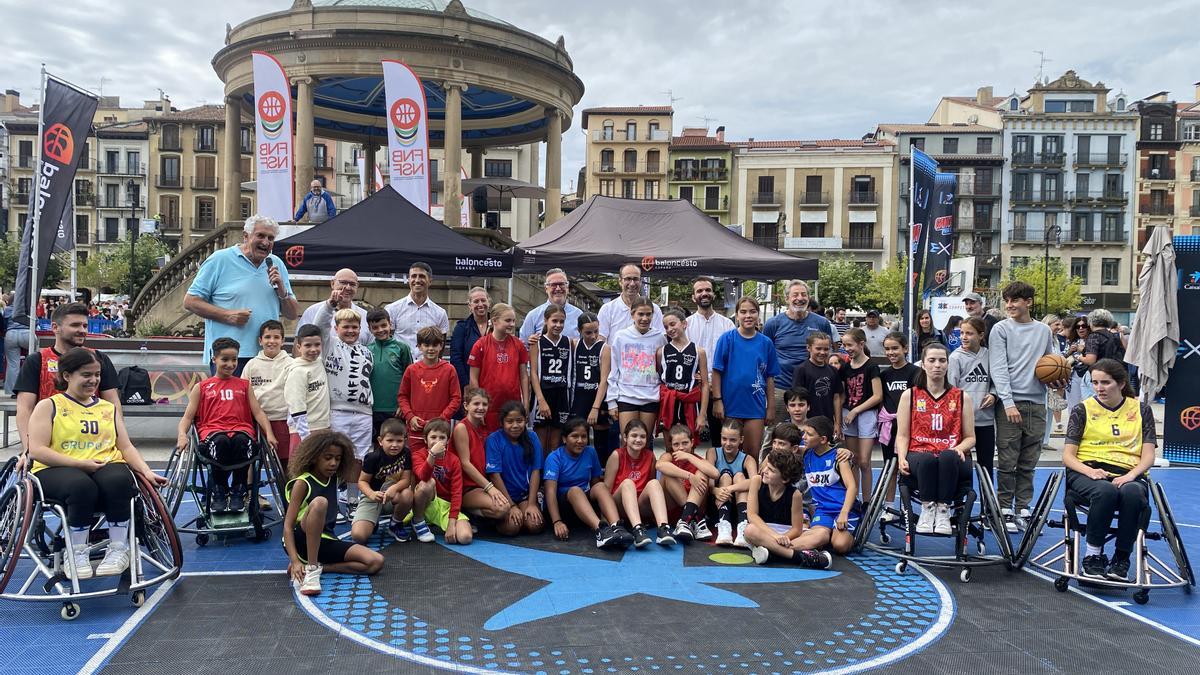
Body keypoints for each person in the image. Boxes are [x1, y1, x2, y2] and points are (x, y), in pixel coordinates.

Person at [26, 348, 167, 580]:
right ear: (67, 375)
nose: (93, 380)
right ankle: (77, 552)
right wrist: (79, 464)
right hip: (57, 468)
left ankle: (119, 548)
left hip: (104, 463)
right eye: (86, 375)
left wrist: (146, 471)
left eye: (97, 375)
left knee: (120, 480)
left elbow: (126, 447)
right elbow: (37, 450)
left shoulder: (107, 408)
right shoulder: (49, 406)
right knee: (81, 486)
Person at [1062, 358, 1157, 581]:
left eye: (1105, 383)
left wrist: (1131, 475)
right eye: (1095, 383)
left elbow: (1149, 455)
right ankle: (1093, 556)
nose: (1099, 388)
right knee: (1105, 491)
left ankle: (1121, 558)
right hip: (1087, 470)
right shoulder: (1082, 409)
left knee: (1132, 493)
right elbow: (1067, 456)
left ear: (1121, 383)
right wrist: (1089, 472)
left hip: (1128, 471)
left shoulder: (1142, 410)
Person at [989, 281, 1064, 533]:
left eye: (1015, 300)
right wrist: (1007, 402)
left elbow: (1049, 363)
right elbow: (998, 368)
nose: (1009, 305)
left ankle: (1023, 507)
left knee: (1029, 461)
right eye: (1007, 300)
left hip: (1037, 403)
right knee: (1008, 460)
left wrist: (1057, 380)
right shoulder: (1000, 329)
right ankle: (1004, 509)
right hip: (1010, 403)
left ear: (1028, 302)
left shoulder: (1043, 331)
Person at [184, 214, 299, 375]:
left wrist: (282, 291)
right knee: (230, 401)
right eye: (260, 236)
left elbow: (292, 314)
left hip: (266, 356)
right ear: (246, 236)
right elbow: (190, 301)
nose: (266, 242)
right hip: (230, 357)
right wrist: (227, 315)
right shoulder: (219, 260)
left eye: (270, 238)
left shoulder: (276, 264)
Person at [176, 337, 277, 512]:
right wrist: (182, 435)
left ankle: (239, 489)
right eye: (225, 359)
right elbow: (187, 418)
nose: (230, 364)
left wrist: (269, 433)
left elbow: (258, 413)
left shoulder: (245, 386)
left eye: (234, 359)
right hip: (213, 433)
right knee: (221, 441)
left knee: (242, 441)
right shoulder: (202, 387)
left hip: (241, 431)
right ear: (214, 359)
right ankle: (219, 489)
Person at [284, 430, 384, 595]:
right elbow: (287, 527)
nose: (333, 463)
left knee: (375, 562)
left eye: (338, 459)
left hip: (325, 540)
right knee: (320, 503)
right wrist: (294, 561)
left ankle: (323, 567)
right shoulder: (303, 483)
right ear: (315, 457)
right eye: (328, 457)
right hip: (301, 539)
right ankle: (312, 570)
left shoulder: (333, 478)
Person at [15, 302, 123, 452]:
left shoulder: (98, 359)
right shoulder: (37, 360)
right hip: (50, 444)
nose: (82, 330)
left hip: (93, 445)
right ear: (55, 327)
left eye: (85, 326)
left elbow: (113, 404)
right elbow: (24, 408)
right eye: (75, 325)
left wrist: (120, 443)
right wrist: (29, 449)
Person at [896, 342, 977, 535]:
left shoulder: (961, 397)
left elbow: (970, 437)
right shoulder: (910, 395)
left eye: (942, 360)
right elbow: (902, 435)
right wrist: (901, 457)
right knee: (927, 459)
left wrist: (960, 447)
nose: (937, 365)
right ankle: (927, 508)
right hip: (919, 453)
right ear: (923, 364)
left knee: (948, 456)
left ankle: (943, 510)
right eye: (932, 360)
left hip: (951, 455)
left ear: (948, 364)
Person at [314, 293, 375, 501]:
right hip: (337, 411)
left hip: (364, 414)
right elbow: (319, 325)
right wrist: (330, 304)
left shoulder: (367, 352)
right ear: (336, 328)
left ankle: (352, 499)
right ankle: (330, 500)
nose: (350, 331)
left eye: (354, 327)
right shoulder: (329, 345)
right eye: (346, 327)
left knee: (358, 458)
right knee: (331, 456)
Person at [544, 417, 633, 549]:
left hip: (584, 507)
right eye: (575, 436)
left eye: (583, 437)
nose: (580, 441)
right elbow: (550, 492)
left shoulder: (590, 452)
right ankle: (601, 531)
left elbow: (595, 484)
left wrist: (603, 514)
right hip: (564, 507)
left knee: (601, 486)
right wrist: (557, 521)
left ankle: (616, 526)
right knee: (575, 490)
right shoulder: (554, 457)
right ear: (564, 439)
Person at [741, 448, 833, 569]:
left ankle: (772, 553)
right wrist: (775, 536)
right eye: (767, 467)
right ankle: (798, 557)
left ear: (784, 479)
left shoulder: (795, 495)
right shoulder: (757, 481)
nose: (765, 471)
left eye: (771, 470)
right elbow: (752, 516)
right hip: (763, 531)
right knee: (749, 530)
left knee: (823, 535)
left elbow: (796, 529)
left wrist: (784, 538)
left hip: (787, 536)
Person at [711, 296, 779, 458]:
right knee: (730, 452)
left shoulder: (766, 343)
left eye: (752, 312)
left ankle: (751, 483)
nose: (748, 316)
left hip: (755, 406)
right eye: (743, 312)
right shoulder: (727, 339)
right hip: (730, 405)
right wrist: (717, 400)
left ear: (758, 315)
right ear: (737, 315)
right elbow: (716, 372)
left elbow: (770, 377)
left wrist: (770, 407)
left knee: (752, 453)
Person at [762, 280, 838, 421]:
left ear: (809, 298)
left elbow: (827, 353)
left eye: (804, 294)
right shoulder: (773, 324)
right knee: (778, 434)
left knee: (814, 433)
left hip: (813, 388)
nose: (800, 298)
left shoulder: (821, 323)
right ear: (787, 299)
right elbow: (765, 356)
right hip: (781, 388)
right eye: (795, 295)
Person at [604, 297, 666, 443]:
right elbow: (614, 370)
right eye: (640, 314)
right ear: (632, 315)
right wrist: (611, 401)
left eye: (648, 314)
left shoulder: (659, 337)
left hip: (651, 396)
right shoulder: (621, 336)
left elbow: (663, 369)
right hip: (626, 396)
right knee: (627, 442)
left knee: (644, 441)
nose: (645, 318)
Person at [794, 416, 860, 554]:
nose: (804, 437)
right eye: (804, 433)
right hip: (823, 510)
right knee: (818, 538)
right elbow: (781, 450)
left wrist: (844, 513)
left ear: (823, 439)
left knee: (840, 546)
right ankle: (777, 548)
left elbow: (852, 487)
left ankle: (852, 534)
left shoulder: (839, 457)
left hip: (843, 509)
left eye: (809, 434)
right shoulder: (806, 453)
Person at [605, 419, 675, 547]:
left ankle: (663, 528)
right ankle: (638, 529)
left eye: (642, 436)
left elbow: (651, 489)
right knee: (628, 483)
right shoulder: (617, 455)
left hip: (639, 505)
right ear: (625, 438)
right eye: (634, 435)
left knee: (654, 483)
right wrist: (606, 519)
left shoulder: (650, 455)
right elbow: (606, 490)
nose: (638, 439)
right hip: (619, 504)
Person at [684, 277, 735, 441]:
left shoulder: (727, 325)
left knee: (720, 438)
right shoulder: (686, 325)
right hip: (693, 390)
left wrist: (717, 384)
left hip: (721, 390)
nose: (704, 293)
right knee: (690, 438)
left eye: (707, 290)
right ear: (693, 297)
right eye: (699, 291)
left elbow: (732, 358)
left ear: (713, 294)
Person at [484, 401, 545, 536]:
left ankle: (523, 512)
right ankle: (496, 520)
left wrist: (531, 503)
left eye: (519, 421)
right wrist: (510, 505)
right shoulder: (493, 439)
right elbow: (494, 475)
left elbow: (536, 471)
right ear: (502, 423)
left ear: (525, 420)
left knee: (535, 525)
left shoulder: (532, 437)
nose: (515, 425)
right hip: (504, 497)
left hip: (524, 495)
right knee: (512, 527)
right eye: (510, 421)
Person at [453, 387, 513, 524]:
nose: (481, 407)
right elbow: (465, 463)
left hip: (480, 484)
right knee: (502, 508)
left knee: (507, 513)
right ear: (466, 405)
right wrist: (490, 488)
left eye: (484, 404)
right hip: (465, 487)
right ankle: (466, 512)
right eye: (476, 404)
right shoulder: (461, 428)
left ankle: (475, 514)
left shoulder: (483, 427)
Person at [398, 326, 461, 453]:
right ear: (419, 346)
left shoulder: (449, 370)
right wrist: (410, 417)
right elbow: (402, 396)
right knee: (416, 464)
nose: (431, 349)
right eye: (426, 345)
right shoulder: (412, 370)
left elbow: (456, 398)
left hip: (439, 430)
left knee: (439, 463)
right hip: (417, 428)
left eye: (435, 345)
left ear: (441, 346)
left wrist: (442, 418)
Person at [351, 418, 414, 544]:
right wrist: (371, 494)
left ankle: (395, 524)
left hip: (393, 496)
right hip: (372, 498)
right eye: (390, 440)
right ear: (380, 441)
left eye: (399, 441)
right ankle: (372, 522)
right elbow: (362, 482)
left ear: (405, 441)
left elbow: (406, 480)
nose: (394, 445)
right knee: (359, 536)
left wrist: (394, 488)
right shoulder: (372, 457)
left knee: (407, 494)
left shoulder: (406, 453)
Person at [469, 303, 530, 432]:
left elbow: (524, 377)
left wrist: (526, 403)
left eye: (513, 321)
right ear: (495, 321)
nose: (512, 324)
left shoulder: (518, 345)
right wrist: (479, 406)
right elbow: (473, 378)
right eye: (508, 320)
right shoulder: (481, 345)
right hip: (489, 407)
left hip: (513, 406)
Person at [410, 418, 473, 545]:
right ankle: (418, 520)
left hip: (445, 507)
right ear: (425, 439)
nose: (437, 441)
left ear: (447, 441)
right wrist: (432, 455)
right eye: (433, 437)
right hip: (424, 503)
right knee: (428, 483)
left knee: (465, 537)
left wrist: (452, 522)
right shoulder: (418, 455)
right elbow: (423, 476)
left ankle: (437, 522)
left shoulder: (454, 460)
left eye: (442, 438)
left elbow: (456, 492)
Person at [877, 331, 920, 515]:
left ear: (905, 348)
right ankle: (889, 507)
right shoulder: (885, 375)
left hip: (909, 428)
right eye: (887, 349)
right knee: (891, 468)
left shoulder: (916, 372)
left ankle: (907, 506)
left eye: (895, 348)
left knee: (907, 468)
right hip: (890, 428)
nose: (891, 352)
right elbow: (882, 400)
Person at [839, 328, 883, 504]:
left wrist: (856, 410)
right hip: (848, 413)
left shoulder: (871, 366)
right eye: (844, 345)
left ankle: (867, 500)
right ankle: (854, 499)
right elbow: (842, 394)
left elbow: (877, 396)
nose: (847, 348)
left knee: (865, 461)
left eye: (850, 345)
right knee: (854, 459)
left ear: (861, 344)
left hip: (864, 413)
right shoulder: (845, 367)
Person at [948, 318, 996, 478]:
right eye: (961, 333)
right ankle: (962, 501)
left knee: (986, 465)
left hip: (985, 419)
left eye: (969, 333)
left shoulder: (989, 355)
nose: (964, 337)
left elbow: (997, 380)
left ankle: (987, 501)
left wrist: (994, 394)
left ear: (981, 335)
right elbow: (951, 389)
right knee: (962, 464)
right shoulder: (956, 358)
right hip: (963, 421)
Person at [242, 320, 295, 461]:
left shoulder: (292, 364)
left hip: (282, 420)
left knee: (285, 461)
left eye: (276, 337)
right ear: (260, 340)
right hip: (256, 422)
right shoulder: (251, 365)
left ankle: (285, 484)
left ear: (283, 341)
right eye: (267, 337)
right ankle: (248, 484)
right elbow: (243, 394)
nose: (272, 341)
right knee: (252, 462)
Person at [658, 423, 719, 543]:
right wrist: (689, 476)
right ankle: (689, 519)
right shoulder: (668, 456)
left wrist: (689, 457)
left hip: (695, 509)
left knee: (702, 473)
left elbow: (715, 473)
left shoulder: (697, 460)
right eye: (676, 444)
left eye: (685, 443)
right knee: (667, 473)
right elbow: (659, 465)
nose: (681, 448)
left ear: (692, 442)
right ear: (671, 445)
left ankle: (686, 519)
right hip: (675, 509)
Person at [657, 308, 709, 446]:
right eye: (666, 327)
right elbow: (659, 379)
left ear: (684, 324)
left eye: (673, 324)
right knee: (670, 446)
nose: (669, 329)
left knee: (688, 446)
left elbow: (704, 385)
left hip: (689, 403)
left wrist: (702, 415)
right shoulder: (661, 351)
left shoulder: (699, 352)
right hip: (669, 402)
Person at [707, 419, 758, 546]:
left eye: (733, 440)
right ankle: (724, 526)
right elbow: (708, 482)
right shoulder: (713, 453)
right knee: (725, 476)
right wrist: (716, 490)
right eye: (724, 439)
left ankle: (743, 528)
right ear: (720, 437)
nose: (727, 443)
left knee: (740, 476)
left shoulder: (748, 459)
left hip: (741, 507)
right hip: (717, 505)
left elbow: (756, 483)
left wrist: (730, 489)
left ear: (741, 440)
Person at [530, 304, 572, 453]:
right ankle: (538, 475)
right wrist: (541, 400)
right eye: (554, 321)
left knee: (555, 443)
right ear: (546, 320)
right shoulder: (537, 342)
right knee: (540, 443)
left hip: (561, 395)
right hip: (543, 394)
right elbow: (533, 373)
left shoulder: (569, 342)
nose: (558, 325)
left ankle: (551, 475)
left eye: (562, 322)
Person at [365, 309, 412, 442]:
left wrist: (404, 405)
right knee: (376, 444)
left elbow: (409, 379)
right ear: (369, 329)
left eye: (383, 325)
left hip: (395, 409)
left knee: (396, 444)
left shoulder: (402, 348)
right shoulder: (366, 350)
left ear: (390, 324)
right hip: (373, 409)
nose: (380, 330)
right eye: (375, 327)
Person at [571, 312, 612, 461]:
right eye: (588, 332)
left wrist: (595, 407)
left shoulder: (604, 348)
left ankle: (600, 473)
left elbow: (604, 380)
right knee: (580, 437)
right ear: (579, 330)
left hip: (598, 398)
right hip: (579, 398)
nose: (593, 335)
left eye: (596, 331)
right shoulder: (574, 344)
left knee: (601, 441)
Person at [295, 269, 370, 346]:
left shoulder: (365, 316)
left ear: (357, 286)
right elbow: (299, 346)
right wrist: (330, 305)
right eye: (343, 282)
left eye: (352, 284)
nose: (347, 287)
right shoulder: (313, 311)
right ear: (332, 283)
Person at [386, 262, 449, 353]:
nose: (417, 280)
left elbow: (441, 346)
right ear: (408, 280)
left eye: (422, 276)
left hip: (427, 366)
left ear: (430, 281)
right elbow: (387, 341)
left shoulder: (440, 313)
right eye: (414, 276)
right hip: (400, 365)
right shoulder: (392, 309)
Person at [284, 325, 330, 441]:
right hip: (303, 430)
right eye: (308, 345)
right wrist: (304, 434)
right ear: (299, 347)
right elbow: (296, 403)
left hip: (323, 425)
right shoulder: (297, 371)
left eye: (317, 345)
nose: (313, 349)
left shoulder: (320, 362)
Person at [597, 262, 664, 340]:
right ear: (620, 281)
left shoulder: (654, 309)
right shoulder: (607, 309)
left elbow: (661, 339)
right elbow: (600, 340)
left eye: (635, 279)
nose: (632, 284)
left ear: (641, 281)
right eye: (628, 279)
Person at [791, 332, 843, 428]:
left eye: (826, 349)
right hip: (807, 421)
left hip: (827, 421)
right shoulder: (801, 370)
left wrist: (838, 423)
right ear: (808, 348)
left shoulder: (833, 371)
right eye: (818, 348)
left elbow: (836, 398)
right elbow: (797, 398)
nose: (822, 352)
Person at [519, 268, 585, 342]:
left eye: (561, 284)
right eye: (553, 285)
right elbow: (523, 345)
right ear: (546, 288)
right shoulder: (533, 316)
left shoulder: (579, 315)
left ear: (567, 287)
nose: (558, 288)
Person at [450, 286, 490, 391]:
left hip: (494, 383)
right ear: (470, 306)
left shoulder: (498, 325)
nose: (480, 304)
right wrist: (466, 384)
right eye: (476, 301)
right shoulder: (462, 328)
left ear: (489, 302)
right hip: (469, 384)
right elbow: (456, 358)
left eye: (483, 300)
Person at [1064, 316, 1093, 417]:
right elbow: (1062, 358)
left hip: (1090, 376)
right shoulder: (1072, 341)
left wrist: (1083, 350)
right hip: (1073, 376)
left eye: (1083, 326)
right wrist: (1070, 351)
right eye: (1078, 326)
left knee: (1090, 404)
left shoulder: (1093, 340)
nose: (1081, 328)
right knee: (1073, 405)